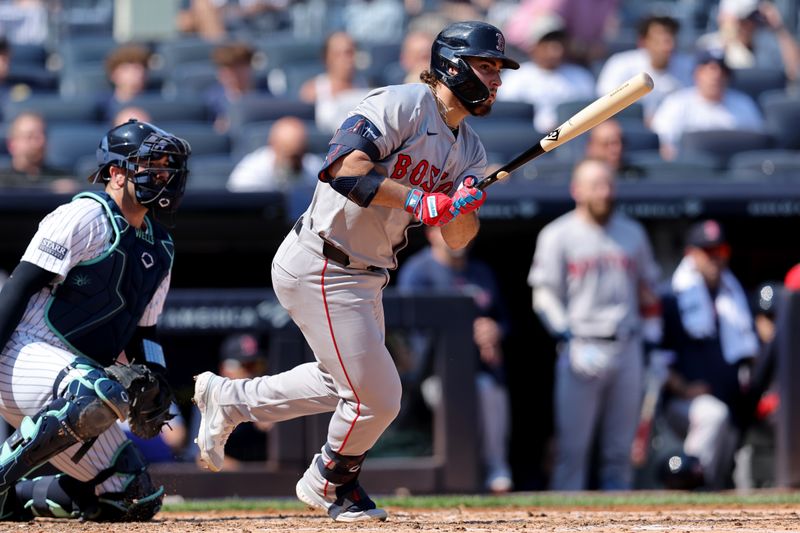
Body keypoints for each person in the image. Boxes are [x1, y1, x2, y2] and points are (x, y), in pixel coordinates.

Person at [193, 20, 518, 521]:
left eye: (499, 69)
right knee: (380, 396)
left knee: (342, 382)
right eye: (487, 66)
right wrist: (420, 199)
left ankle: (230, 399)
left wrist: (461, 206)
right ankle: (330, 479)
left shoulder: (470, 148)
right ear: (453, 66)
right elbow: (343, 167)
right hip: (323, 258)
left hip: (366, 273)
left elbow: (457, 237)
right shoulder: (401, 104)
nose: (496, 79)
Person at [0, 118, 191, 520]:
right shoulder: (86, 214)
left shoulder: (162, 247)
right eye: (151, 165)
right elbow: (17, 288)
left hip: (76, 385)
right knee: (99, 390)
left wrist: (157, 380)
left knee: (131, 495)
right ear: (117, 172)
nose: (162, 175)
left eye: (165, 166)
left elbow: (145, 331)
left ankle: (12, 499)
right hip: (21, 356)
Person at [528, 157, 661, 490]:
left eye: (609, 185)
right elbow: (543, 296)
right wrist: (568, 336)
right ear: (578, 190)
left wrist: (653, 344)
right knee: (572, 450)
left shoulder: (632, 232)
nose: (605, 192)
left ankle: (621, 523)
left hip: (627, 345)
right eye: (597, 185)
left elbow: (649, 291)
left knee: (620, 451)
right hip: (581, 345)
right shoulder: (558, 234)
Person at [397, 226, 513, 493]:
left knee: (489, 391)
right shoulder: (418, 272)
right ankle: (456, 475)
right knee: (447, 397)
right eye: (447, 228)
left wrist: (492, 330)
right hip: (433, 373)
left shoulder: (481, 272)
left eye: (462, 227)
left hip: (478, 369)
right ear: (431, 234)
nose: (457, 234)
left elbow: (503, 320)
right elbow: (412, 334)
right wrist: (463, 330)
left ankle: (496, 469)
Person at [659, 219, 759, 490]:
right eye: (708, 251)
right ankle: (684, 484)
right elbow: (655, 357)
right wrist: (683, 387)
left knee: (724, 468)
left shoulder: (734, 294)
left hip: (729, 403)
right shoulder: (672, 296)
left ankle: (708, 503)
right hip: (682, 404)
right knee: (714, 415)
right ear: (691, 253)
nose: (715, 258)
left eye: (721, 251)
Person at [650, 48, 764, 160]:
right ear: (696, 74)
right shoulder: (676, 103)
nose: (716, 76)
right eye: (710, 69)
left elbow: (757, 146)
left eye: (722, 70)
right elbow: (663, 143)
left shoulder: (744, 104)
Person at [496, 12, 595, 133]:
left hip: (570, 142)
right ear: (534, 45)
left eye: (559, 42)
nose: (555, 49)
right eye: (547, 41)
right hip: (527, 143)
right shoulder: (516, 77)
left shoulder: (581, 77)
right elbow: (507, 119)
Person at [188, 333, 272, 469]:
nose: (252, 373)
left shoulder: (267, 398)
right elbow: (201, 459)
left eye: (257, 365)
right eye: (247, 366)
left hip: (273, 482)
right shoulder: (210, 399)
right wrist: (248, 472)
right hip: (224, 483)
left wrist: (274, 425)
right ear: (225, 369)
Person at [596, 15, 693, 123]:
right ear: (643, 42)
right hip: (630, 130)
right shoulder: (620, 64)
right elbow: (605, 104)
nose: (667, 47)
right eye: (659, 41)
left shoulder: (690, 67)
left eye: (670, 40)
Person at [697, 0, 800, 82]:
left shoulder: (769, 43)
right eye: (744, 19)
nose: (750, 23)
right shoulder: (709, 44)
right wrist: (728, 31)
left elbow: (794, 71)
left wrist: (779, 28)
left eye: (754, 17)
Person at [299, 31, 371, 134]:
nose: (347, 59)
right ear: (326, 58)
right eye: (339, 54)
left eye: (351, 53)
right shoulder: (312, 91)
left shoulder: (366, 84)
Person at [227, 116, 323, 193]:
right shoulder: (250, 174)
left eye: (299, 154)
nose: (295, 162)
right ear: (273, 146)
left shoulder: (315, 169)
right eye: (290, 156)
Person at [0, 111, 74, 191]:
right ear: (11, 145)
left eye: (43, 135)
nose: (40, 142)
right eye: (30, 136)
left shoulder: (62, 178)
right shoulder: (2, 181)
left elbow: (88, 181)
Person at [206, 42, 270, 133]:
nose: (236, 74)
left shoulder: (266, 98)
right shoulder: (210, 102)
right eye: (230, 69)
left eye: (241, 67)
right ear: (219, 73)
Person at [101, 44, 154, 123]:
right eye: (129, 68)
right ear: (113, 74)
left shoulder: (156, 102)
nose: (139, 73)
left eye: (142, 67)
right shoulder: (102, 108)